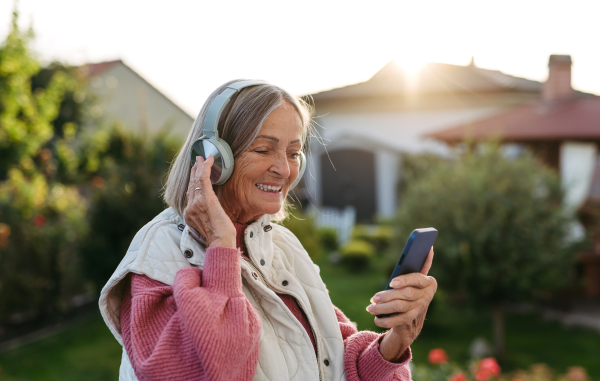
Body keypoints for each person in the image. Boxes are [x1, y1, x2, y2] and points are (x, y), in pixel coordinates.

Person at [98, 80, 437, 381]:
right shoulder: (157, 254)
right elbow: (211, 371)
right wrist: (221, 248)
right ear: (212, 156)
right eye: (263, 149)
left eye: (293, 153)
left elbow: (334, 354)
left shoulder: (280, 244)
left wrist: (395, 341)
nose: (283, 169)